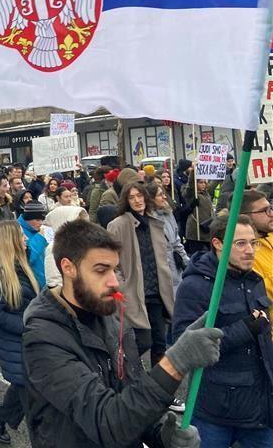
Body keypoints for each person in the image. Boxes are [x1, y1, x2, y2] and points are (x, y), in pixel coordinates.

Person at [23, 218, 223, 448]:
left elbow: (130, 388)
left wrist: (161, 433)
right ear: (68, 268)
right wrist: (175, 363)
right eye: (101, 270)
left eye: (114, 269)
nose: (113, 281)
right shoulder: (42, 337)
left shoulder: (107, 313)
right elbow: (107, 422)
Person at [173, 214, 273, 447]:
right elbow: (182, 344)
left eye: (253, 242)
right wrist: (244, 329)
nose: (250, 250)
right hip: (215, 412)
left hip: (260, 409)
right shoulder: (196, 286)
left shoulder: (254, 280)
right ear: (218, 244)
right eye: (240, 243)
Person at [107, 181, 175, 369]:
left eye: (139, 195)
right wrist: (121, 285)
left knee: (160, 343)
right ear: (126, 201)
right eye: (132, 197)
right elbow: (112, 262)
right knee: (142, 341)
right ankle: (127, 376)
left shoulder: (155, 222)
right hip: (134, 293)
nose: (137, 200)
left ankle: (158, 388)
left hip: (157, 292)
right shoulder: (118, 225)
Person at [0, 220, 40, 444]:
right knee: (33, 400)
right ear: (11, 240)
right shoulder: (0, 272)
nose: (25, 239)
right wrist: (25, 327)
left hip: (29, 340)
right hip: (15, 342)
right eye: (21, 236)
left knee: (24, 387)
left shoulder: (21, 265)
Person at [148, 182, 189, 298]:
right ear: (151, 199)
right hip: (161, 269)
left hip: (175, 265)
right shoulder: (149, 220)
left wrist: (186, 261)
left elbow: (176, 241)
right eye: (160, 195)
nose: (165, 197)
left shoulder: (168, 213)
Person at [241, 189, 273, 304]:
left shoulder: (269, 236)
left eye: (270, 208)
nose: (271, 214)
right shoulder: (241, 252)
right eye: (265, 211)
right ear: (245, 216)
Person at [182, 165, 214, 254]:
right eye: (200, 182)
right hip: (196, 232)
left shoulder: (206, 194)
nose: (203, 184)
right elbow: (191, 186)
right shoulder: (191, 194)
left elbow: (213, 184)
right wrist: (193, 172)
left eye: (204, 182)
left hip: (207, 229)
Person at [17, 200, 49, 288]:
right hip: (30, 285)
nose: (41, 223)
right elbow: (27, 258)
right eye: (37, 220)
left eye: (42, 220)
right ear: (28, 218)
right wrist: (39, 238)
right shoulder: (18, 230)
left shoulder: (36, 230)